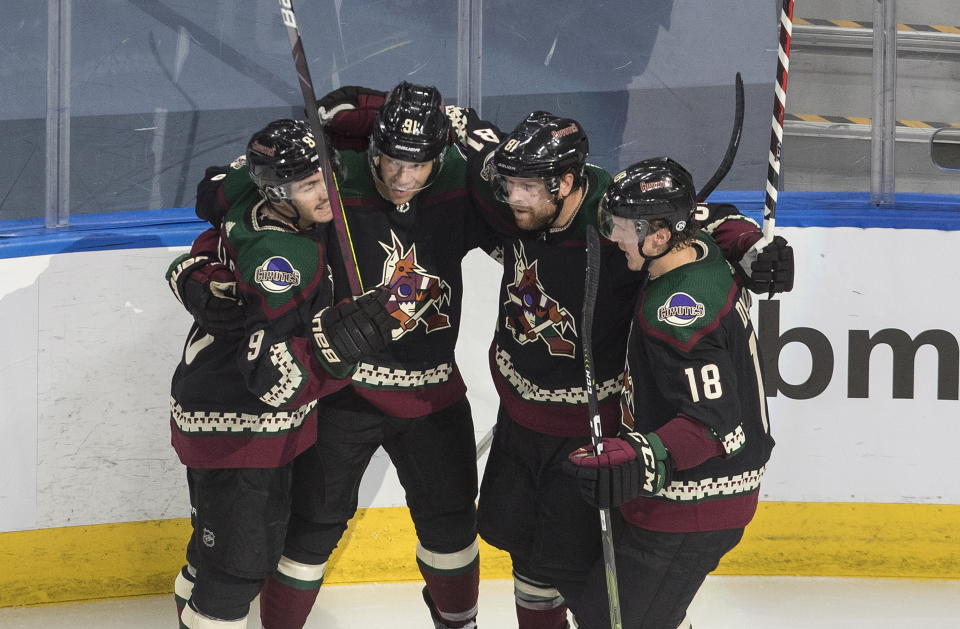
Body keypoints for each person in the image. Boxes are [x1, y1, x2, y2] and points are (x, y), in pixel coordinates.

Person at [442, 106, 793, 629]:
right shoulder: (516, 187)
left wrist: (749, 246)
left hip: (591, 432)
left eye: (528, 188)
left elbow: (699, 219)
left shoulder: (616, 216)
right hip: (520, 424)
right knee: (527, 556)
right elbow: (459, 127)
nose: (512, 197)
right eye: (510, 184)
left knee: (584, 582)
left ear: (564, 183)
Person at [172, 82, 498, 629]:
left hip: (431, 392)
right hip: (343, 393)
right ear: (372, 144)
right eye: (390, 158)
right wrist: (197, 270)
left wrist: (480, 136)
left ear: (440, 155)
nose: (401, 177)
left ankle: (458, 622)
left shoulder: (458, 181)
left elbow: (534, 205)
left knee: (452, 530)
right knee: (309, 531)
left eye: (417, 165)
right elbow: (230, 205)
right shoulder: (330, 175)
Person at [167, 118, 398, 629]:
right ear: (276, 191)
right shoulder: (285, 258)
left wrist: (190, 271)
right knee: (238, 570)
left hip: (204, 405)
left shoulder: (240, 193)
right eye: (309, 186)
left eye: (326, 178)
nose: (327, 194)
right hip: (242, 428)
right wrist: (337, 348)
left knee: (210, 551)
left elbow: (211, 197)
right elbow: (272, 382)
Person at [564, 157, 775, 629]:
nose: (612, 236)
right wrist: (746, 238)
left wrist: (640, 455)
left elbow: (716, 424)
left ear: (658, 236)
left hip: (695, 503)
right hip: (687, 497)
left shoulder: (678, 315)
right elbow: (712, 215)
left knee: (610, 621)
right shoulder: (700, 249)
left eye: (620, 227)